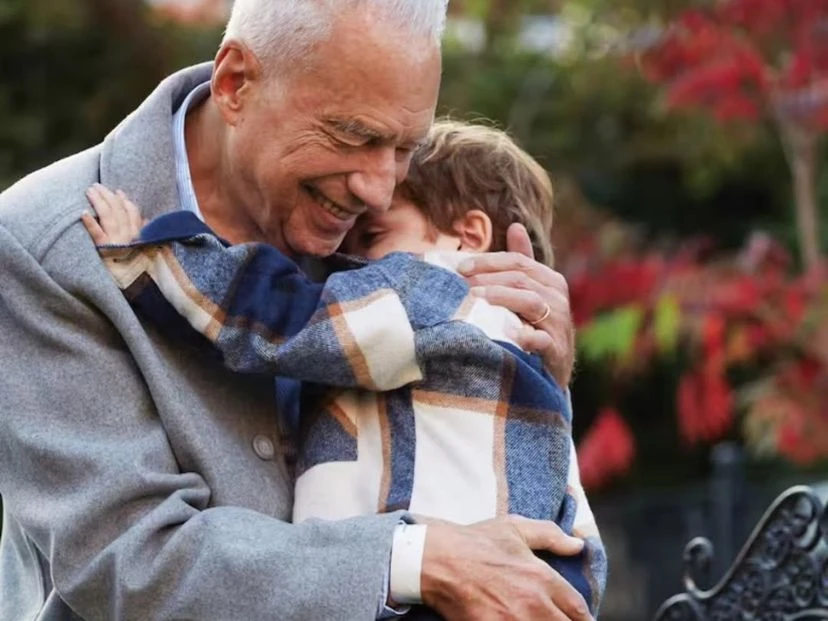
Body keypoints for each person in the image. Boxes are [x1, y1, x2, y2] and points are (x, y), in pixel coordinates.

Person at [0, 1, 587, 619]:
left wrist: (531, 362)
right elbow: (133, 562)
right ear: (235, 85)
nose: (378, 189)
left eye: (405, 148)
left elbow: (504, 506)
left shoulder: (395, 230)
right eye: (354, 136)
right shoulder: (46, 245)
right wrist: (419, 560)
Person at [81, 119, 607, 617]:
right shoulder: (532, 368)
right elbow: (578, 541)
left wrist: (157, 259)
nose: (343, 265)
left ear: (466, 236)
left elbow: (280, 321)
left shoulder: (427, 291)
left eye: (372, 238)